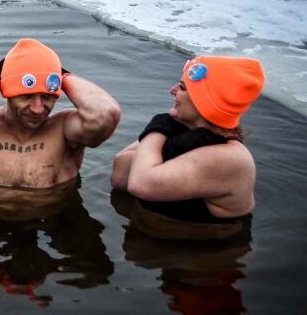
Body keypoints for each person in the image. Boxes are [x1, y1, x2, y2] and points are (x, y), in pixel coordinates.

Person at [111, 55, 265, 238]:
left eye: (182, 88)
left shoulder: (230, 157)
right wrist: (168, 136)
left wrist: (158, 127)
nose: (172, 90)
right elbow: (120, 175)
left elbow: (140, 184)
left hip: (204, 258)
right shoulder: (179, 130)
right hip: (158, 246)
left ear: (205, 102)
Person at [0, 38, 121, 188]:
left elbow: (105, 114)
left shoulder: (64, 131)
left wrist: (62, 75)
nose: (38, 108)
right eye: (26, 96)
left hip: (53, 222)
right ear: (7, 93)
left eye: (47, 97)